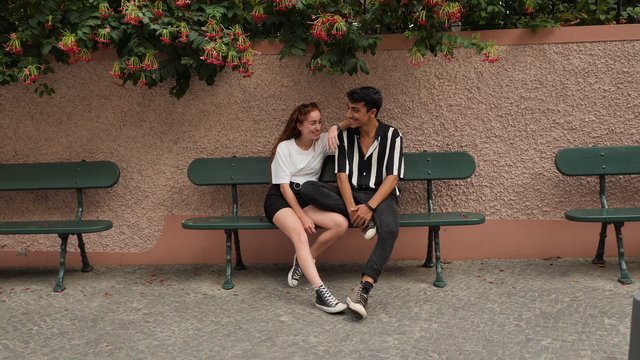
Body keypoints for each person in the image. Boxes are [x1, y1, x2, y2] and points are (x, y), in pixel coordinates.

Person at [301, 86, 404, 320]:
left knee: (389, 229)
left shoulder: (392, 136)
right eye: (348, 108)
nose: (349, 114)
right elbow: (342, 175)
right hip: (350, 195)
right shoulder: (345, 136)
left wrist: (369, 208)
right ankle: (365, 223)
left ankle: (363, 289)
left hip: (381, 196)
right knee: (308, 188)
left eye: (355, 110)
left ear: (372, 112)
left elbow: (392, 178)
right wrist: (352, 209)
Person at [263, 102, 348, 314]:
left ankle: (304, 260)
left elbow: (348, 125)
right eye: (312, 123)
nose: (318, 127)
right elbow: (283, 187)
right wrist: (301, 216)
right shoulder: (285, 148)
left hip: (306, 197)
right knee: (300, 234)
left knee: (340, 224)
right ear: (299, 125)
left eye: (320, 122)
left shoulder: (321, 143)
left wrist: (336, 127)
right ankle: (321, 293)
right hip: (281, 199)